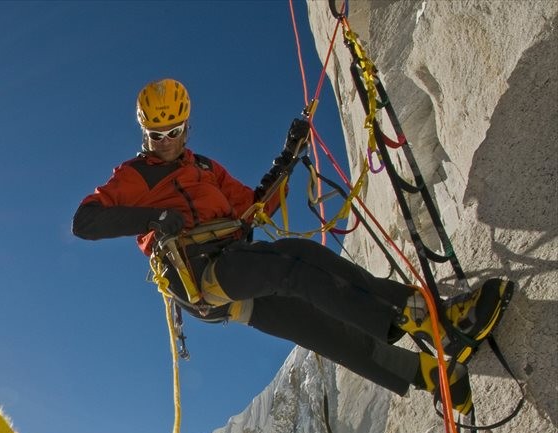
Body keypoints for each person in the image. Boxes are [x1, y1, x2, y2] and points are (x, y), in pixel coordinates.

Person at [72, 78, 513, 414]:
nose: (165, 142)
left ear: (186, 129)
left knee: (318, 329)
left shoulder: (208, 169)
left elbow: (255, 205)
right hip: (202, 272)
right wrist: (152, 218)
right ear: (144, 132)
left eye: (173, 132)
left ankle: (432, 376)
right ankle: (427, 318)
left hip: (235, 268)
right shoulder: (135, 176)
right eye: (156, 134)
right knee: (296, 263)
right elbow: (86, 221)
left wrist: (289, 154)